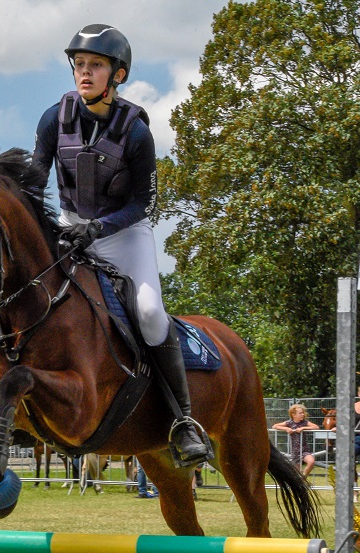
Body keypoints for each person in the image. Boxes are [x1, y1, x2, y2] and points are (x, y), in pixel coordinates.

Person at [31, 24, 211, 468]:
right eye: (79, 65)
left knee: (149, 313)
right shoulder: (54, 119)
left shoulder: (135, 133)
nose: (84, 73)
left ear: (119, 75)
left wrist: (98, 230)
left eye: (95, 65)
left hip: (124, 235)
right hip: (70, 229)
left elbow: (142, 204)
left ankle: (182, 420)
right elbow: (35, 179)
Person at [272, 404, 320, 478]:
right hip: (295, 451)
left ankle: (304, 477)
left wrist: (303, 428)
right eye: (300, 413)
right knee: (296, 473)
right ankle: (300, 481)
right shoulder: (289, 423)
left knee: (311, 462)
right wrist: (286, 429)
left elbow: (316, 427)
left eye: (303, 413)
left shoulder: (304, 422)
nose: (302, 414)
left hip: (304, 450)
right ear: (293, 415)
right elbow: (274, 426)